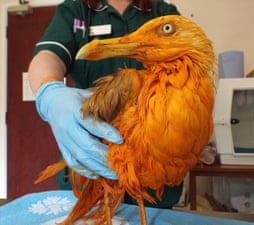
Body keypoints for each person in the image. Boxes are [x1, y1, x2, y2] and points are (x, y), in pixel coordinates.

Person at [28, 0, 183, 209]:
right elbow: (48, 55)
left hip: (153, 162)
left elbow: (184, 69)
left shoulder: (162, 12)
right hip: (91, 157)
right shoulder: (75, 11)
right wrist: (50, 93)